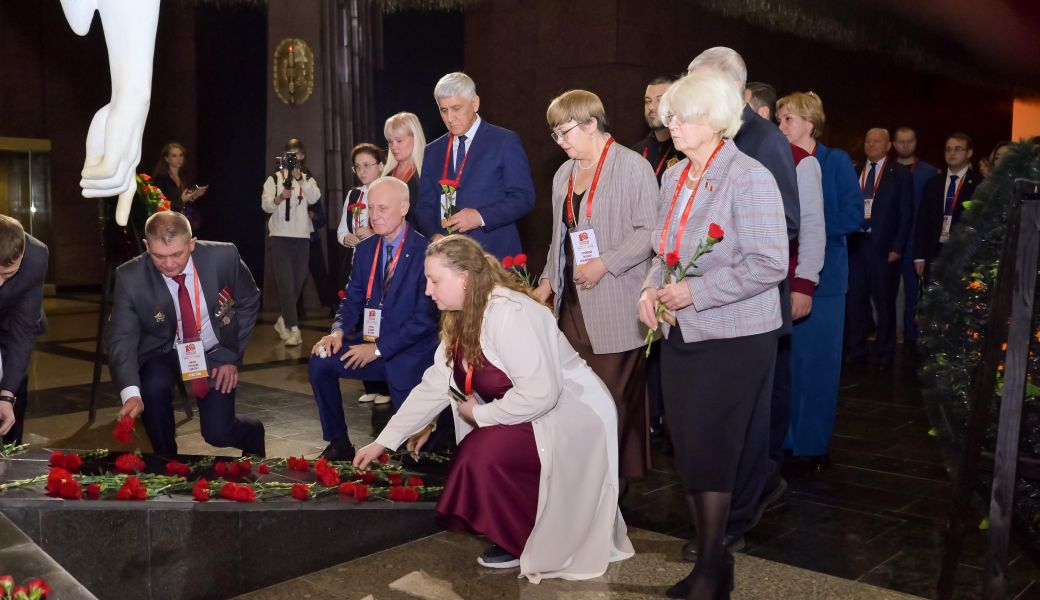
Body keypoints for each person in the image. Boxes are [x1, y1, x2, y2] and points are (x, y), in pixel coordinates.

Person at [353, 234, 634, 580]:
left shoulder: (511, 313)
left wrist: (479, 414)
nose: (427, 290)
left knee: (481, 453)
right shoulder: (460, 315)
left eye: (434, 280)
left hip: (569, 413)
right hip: (525, 410)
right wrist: (383, 442)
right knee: (479, 450)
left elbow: (542, 393)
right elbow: (436, 384)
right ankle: (519, 531)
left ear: (464, 278)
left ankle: (524, 538)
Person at [637, 71, 788, 599]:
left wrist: (694, 292)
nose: (671, 124)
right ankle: (714, 565)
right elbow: (664, 251)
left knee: (715, 448)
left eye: (681, 116)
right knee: (690, 448)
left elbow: (769, 263)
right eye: (669, 116)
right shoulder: (675, 176)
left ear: (715, 120)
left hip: (735, 338)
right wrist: (650, 289)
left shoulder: (749, 177)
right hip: (683, 334)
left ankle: (708, 568)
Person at [685, 46, 800, 557]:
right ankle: (720, 513)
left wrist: (711, 259)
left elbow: (785, 222)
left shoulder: (763, 140)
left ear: (735, 89)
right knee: (712, 423)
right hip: (700, 310)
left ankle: (738, 516)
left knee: (747, 423)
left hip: (747, 307)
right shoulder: (699, 138)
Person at [535, 89, 658, 486]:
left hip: (617, 302)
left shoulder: (632, 166)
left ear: (591, 123)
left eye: (565, 131)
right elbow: (559, 237)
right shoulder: (564, 174)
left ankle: (609, 486)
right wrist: (547, 281)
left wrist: (606, 263)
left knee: (612, 401)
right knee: (577, 399)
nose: (561, 141)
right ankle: (584, 484)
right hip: (573, 305)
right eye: (555, 134)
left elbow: (650, 232)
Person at [108, 211, 265, 456]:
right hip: (164, 350)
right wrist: (131, 393)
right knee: (152, 387)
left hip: (213, 350)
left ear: (191, 244)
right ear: (147, 246)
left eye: (177, 254)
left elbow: (249, 300)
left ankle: (253, 434)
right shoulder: (130, 277)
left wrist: (230, 356)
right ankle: (166, 464)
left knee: (218, 433)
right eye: (159, 256)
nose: (169, 264)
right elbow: (121, 339)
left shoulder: (223, 257)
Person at [309, 177, 439, 460]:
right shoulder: (366, 249)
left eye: (382, 208)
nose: (374, 215)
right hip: (372, 346)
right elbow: (352, 299)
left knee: (420, 455)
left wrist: (378, 349)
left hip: (409, 356)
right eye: (371, 208)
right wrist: (337, 332)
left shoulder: (426, 252)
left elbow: (425, 321)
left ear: (403, 208)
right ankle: (339, 442)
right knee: (320, 360)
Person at [776, 92, 864, 468]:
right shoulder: (780, 161)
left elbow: (854, 215)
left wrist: (807, 226)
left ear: (810, 123)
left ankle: (812, 445)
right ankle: (786, 439)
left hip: (825, 281)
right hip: (787, 276)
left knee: (819, 366)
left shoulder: (835, 161)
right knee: (790, 365)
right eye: (779, 119)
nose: (781, 126)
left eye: (788, 119)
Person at [415, 72, 536, 259]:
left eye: (456, 108)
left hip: (494, 256)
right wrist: (435, 236)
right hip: (448, 258)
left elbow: (524, 198)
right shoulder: (433, 150)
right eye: (444, 110)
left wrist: (480, 217)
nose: (450, 118)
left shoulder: (504, 141)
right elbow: (424, 207)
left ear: (475, 103)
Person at [846, 128, 913, 371]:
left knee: (884, 303)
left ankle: (885, 352)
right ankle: (856, 351)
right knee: (855, 301)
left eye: (877, 141)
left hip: (883, 247)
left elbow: (906, 213)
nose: (871, 144)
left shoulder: (899, 173)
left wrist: (897, 247)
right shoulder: (855, 171)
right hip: (855, 245)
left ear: (888, 146)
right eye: (868, 140)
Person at [337, 144, 391, 405]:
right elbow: (341, 229)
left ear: (381, 165)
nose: (361, 171)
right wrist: (346, 238)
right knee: (362, 324)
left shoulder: (389, 191)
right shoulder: (354, 194)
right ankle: (370, 383)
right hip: (359, 264)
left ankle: (387, 386)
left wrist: (373, 233)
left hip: (383, 265)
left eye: (367, 165)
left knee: (382, 323)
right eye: (357, 167)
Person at [261, 138, 321, 347]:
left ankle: (283, 320)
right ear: (283, 156)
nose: (292, 159)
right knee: (286, 284)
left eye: (296, 155)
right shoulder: (274, 179)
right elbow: (266, 206)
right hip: (280, 236)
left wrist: (300, 179)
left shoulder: (307, 178)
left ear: (302, 157)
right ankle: (294, 329)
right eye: (289, 155)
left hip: (302, 236)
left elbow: (314, 198)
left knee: (297, 282)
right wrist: (279, 198)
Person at [0, 215, 48, 445]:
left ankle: (10, 455)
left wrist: (6, 396)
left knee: (14, 391)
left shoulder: (36, 257)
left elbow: (22, 331)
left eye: (7, 275)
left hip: (11, 322)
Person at [892, 127, 939, 351]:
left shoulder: (929, 172)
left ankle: (913, 337)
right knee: (886, 292)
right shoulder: (887, 170)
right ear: (894, 144)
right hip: (890, 240)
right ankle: (890, 332)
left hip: (915, 241)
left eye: (909, 141)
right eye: (901, 141)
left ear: (916, 142)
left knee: (914, 292)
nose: (905, 145)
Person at [913, 133, 984, 280]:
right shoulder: (933, 183)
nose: (952, 153)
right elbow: (922, 221)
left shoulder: (980, 184)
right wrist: (919, 256)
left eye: (958, 149)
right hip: (934, 251)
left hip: (964, 254)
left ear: (969, 153)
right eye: (948, 149)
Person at [631, 76, 683, 183]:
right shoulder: (635, 153)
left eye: (660, 100)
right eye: (648, 101)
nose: (651, 107)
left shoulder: (688, 151)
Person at [381, 112, 426, 231]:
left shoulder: (426, 175)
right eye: (390, 141)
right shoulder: (385, 177)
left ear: (415, 138)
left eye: (399, 141)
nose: (393, 146)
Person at [151, 142, 208, 217]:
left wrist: (194, 196)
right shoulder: (161, 178)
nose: (179, 159)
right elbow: (158, 205)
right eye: (174, 156)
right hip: (167, 219)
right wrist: (181, 200)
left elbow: (186, 203)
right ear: (167, 159)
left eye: (181, 155)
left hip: (181, 218)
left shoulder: (183, 177)